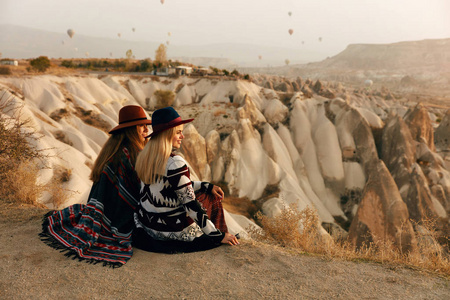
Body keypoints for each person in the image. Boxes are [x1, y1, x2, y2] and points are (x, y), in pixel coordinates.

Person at [40, 105, 151, 267]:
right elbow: (141, 193)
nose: (146, 130)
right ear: (132, 129)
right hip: (121, 221)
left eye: (146, 125)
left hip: (105, 216)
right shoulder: (131, 155)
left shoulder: (114, 151)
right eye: (142, 125)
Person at [132, 106, 239, 254]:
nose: (183, 136)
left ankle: (218, 233)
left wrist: (206, 185)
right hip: (173, 232)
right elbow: (190, 204)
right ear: (167, 134)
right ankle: (221, 235)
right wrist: (216, 236)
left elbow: (172, 186)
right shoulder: (175, 163)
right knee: (210, 198)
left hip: (149, 228)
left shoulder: (146, 157)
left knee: (206, 191)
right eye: (178, 132)